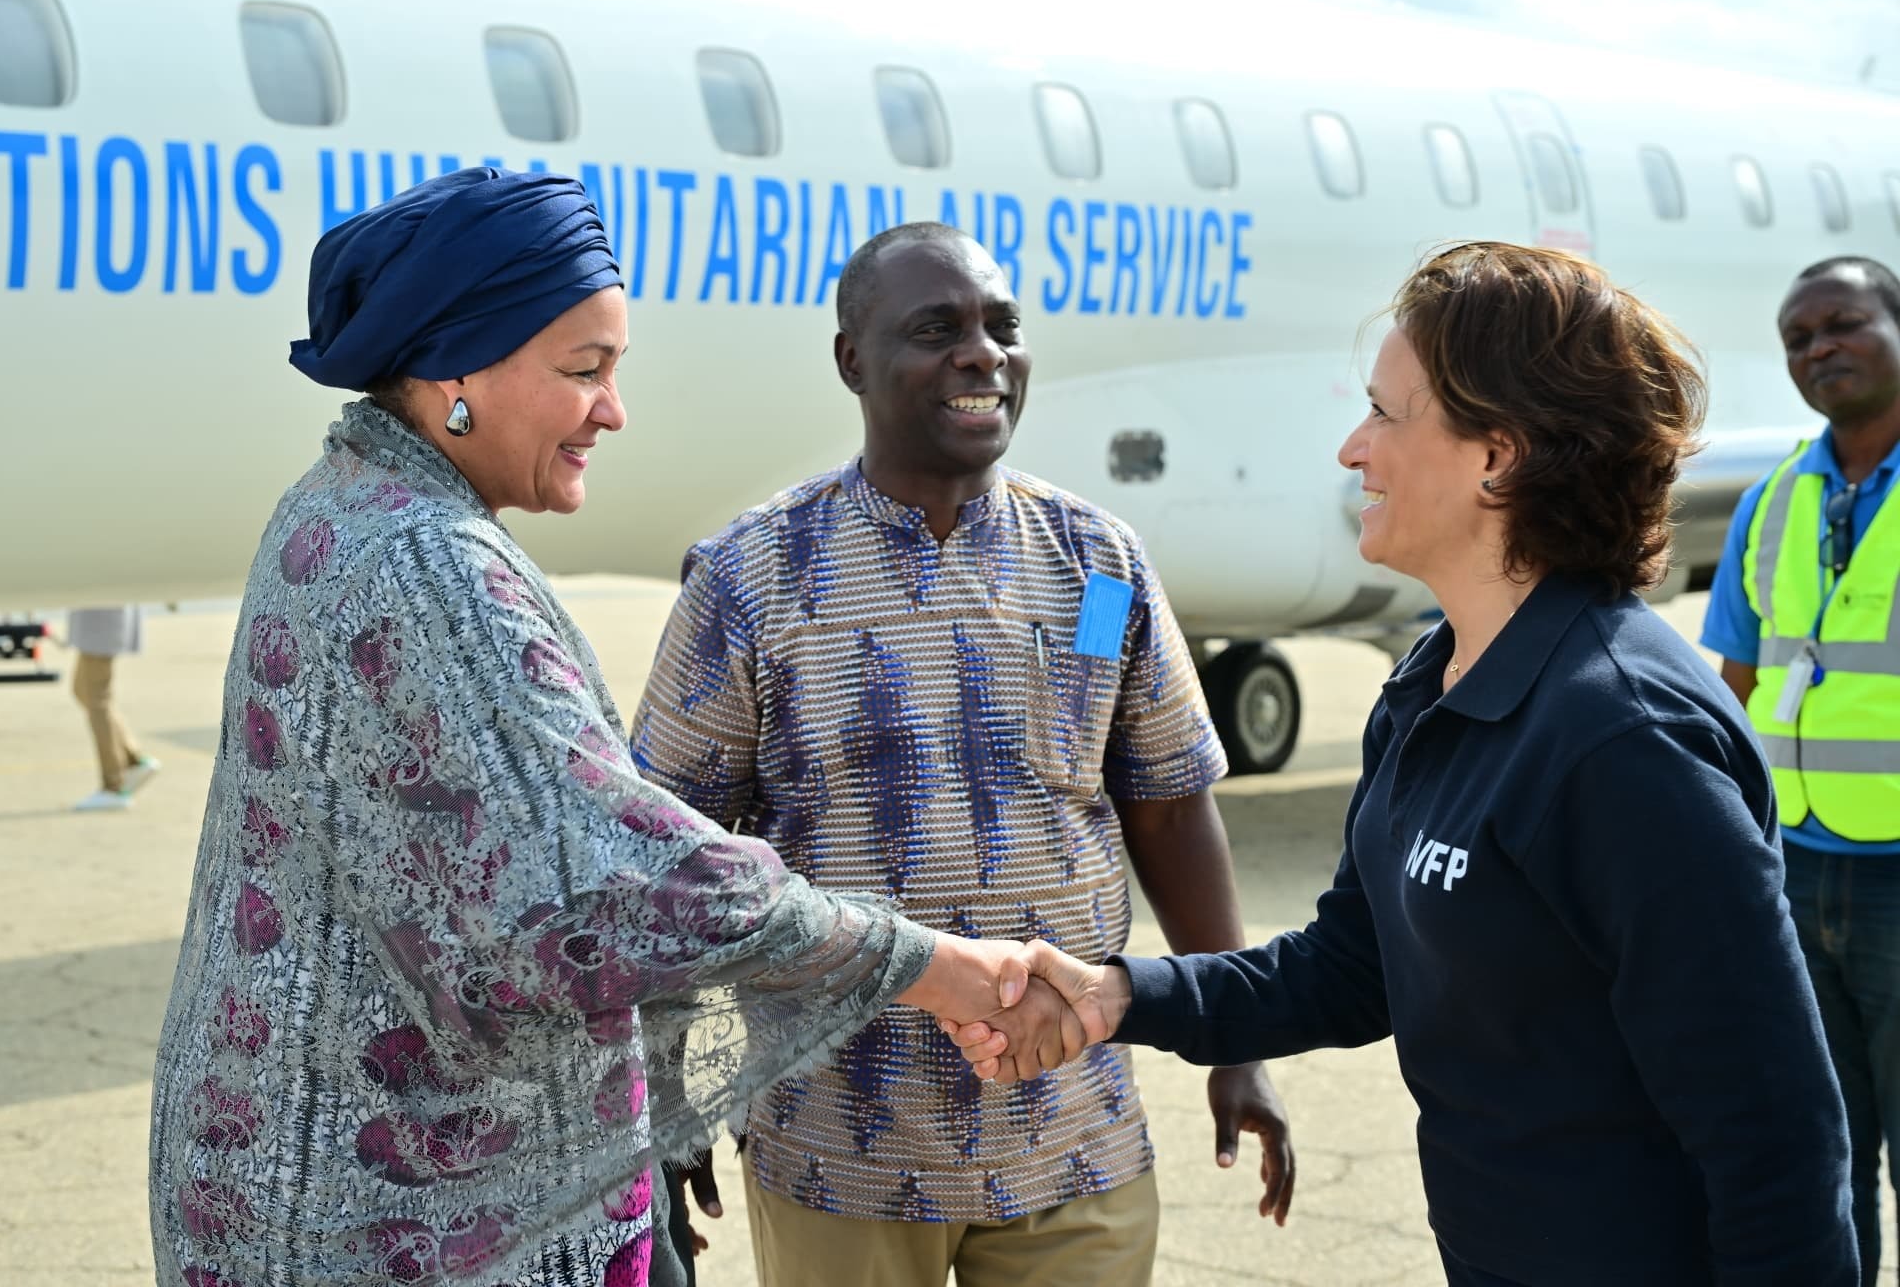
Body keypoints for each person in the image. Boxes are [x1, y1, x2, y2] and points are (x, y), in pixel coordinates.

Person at [146, 172, 1077, 1287]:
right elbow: (618, 879)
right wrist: (929, 964)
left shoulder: (342, 503)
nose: (613, 408)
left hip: (304, 1185)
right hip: (413, 1226)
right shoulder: (431, 565)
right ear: (454, 373)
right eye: (583, 371)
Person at [949, 242, 1860, 1285]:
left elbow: (1777, 1141)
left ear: (1497, 456)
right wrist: (1118, 995)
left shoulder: (1625, 740)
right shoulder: (1435, 681)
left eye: (1385, 413)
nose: (1353, 447)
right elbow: (1350, 966)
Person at [628, 222, 1293, 1287]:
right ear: (852, 359)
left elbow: (1170, 807)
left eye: (1002, 327)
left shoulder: (1101, 566)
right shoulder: (753, 579)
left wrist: (1236, 1037)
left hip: (1074, 1138)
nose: (983, 353)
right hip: (841, 1145)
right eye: (938, 328)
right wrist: (666, 1098)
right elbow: (668, 860)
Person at [1700, 255, 1900, 1285]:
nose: (1818, 346)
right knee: (1822, 1156)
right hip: (1796, 872)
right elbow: (1728, 688)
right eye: (1796, 337)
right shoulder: (1772, 501)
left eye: (1842, 322)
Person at [65, 604, 159, 811]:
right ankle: (132, 759)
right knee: (82, 690)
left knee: (97, 699)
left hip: (101, 618)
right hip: (100, 617)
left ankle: (114, 786)